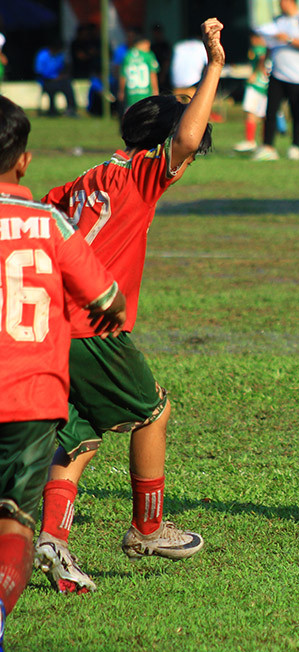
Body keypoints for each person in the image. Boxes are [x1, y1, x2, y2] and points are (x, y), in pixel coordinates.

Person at [32, 18, 225, 595]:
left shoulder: (92, 174)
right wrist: (215, 65)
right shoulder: (143, 174)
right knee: (153, 412)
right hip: (90, 324)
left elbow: (44, 219)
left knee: (82, 434)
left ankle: (53, 539)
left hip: (47, 321)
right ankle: (148, 527)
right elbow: (186, 139)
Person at [0, 95, 126, 626]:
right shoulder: (48, 221)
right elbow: (108, 300)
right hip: (30, 398)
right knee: (15, 526)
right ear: (24, 160)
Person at [253, 0, 299, 161]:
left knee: (297, 111)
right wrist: (264, 62)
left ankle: (296, 146)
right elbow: (270, 44)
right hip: (277, 73)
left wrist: (289, 39)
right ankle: (268, 146)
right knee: (271, 111)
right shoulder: (278, 20)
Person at [235, 34, 270, 153]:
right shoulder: (269, 48)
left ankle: (250, 141)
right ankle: (264, 142)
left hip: (256, 84)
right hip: (265, 85)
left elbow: (262, 58)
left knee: (250, 111)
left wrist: (255, 73)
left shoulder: (258, 49)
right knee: (263, 115)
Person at [34, 41, 79, 117]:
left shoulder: (60, 55)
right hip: (46, 81)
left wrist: (62, 75)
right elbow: (39, 71)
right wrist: (52, 77)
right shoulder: (43, 55)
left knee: (68, 84)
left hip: (58, 80)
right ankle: (52, 110)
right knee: (52, 87)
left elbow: (62, 68)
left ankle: (71, 109)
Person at [118, 34, 160, 111]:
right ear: (143, 43)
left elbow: (123, 75)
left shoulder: (127, 55)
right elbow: (152, 73)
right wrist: (156, 90)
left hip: (131, 95)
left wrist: (121, 91)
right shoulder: (148, 55)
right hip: (146, 94)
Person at [171, 30, 208, 98]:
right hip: (192, 85)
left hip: (176, 84)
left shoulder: (178, 46)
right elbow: (208, 65)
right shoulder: (201, 46)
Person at [150, 24, 173, 95]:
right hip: (155, 75)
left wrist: (162, 75)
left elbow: (166, 61)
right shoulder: (152, 46)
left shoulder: (165, 46)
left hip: (164, 77)